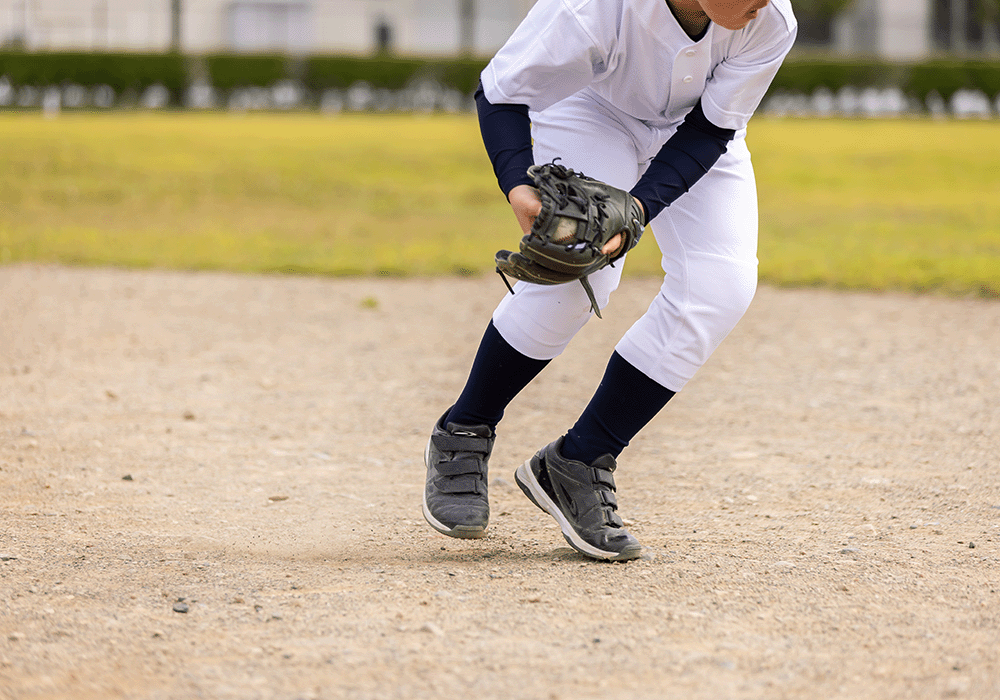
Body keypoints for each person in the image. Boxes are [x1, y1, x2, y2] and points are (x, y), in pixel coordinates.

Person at [423, 0, 797, 561]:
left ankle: (579, 460)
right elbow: (501, 89)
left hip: (695, 133)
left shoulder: (770, 21)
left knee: (721, 286)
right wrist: (516, 186)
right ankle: (465, 431)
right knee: (575, 283)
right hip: (588, 111)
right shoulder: (593, 7)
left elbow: (710, 129)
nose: (764, 0)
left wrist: (637, 213)